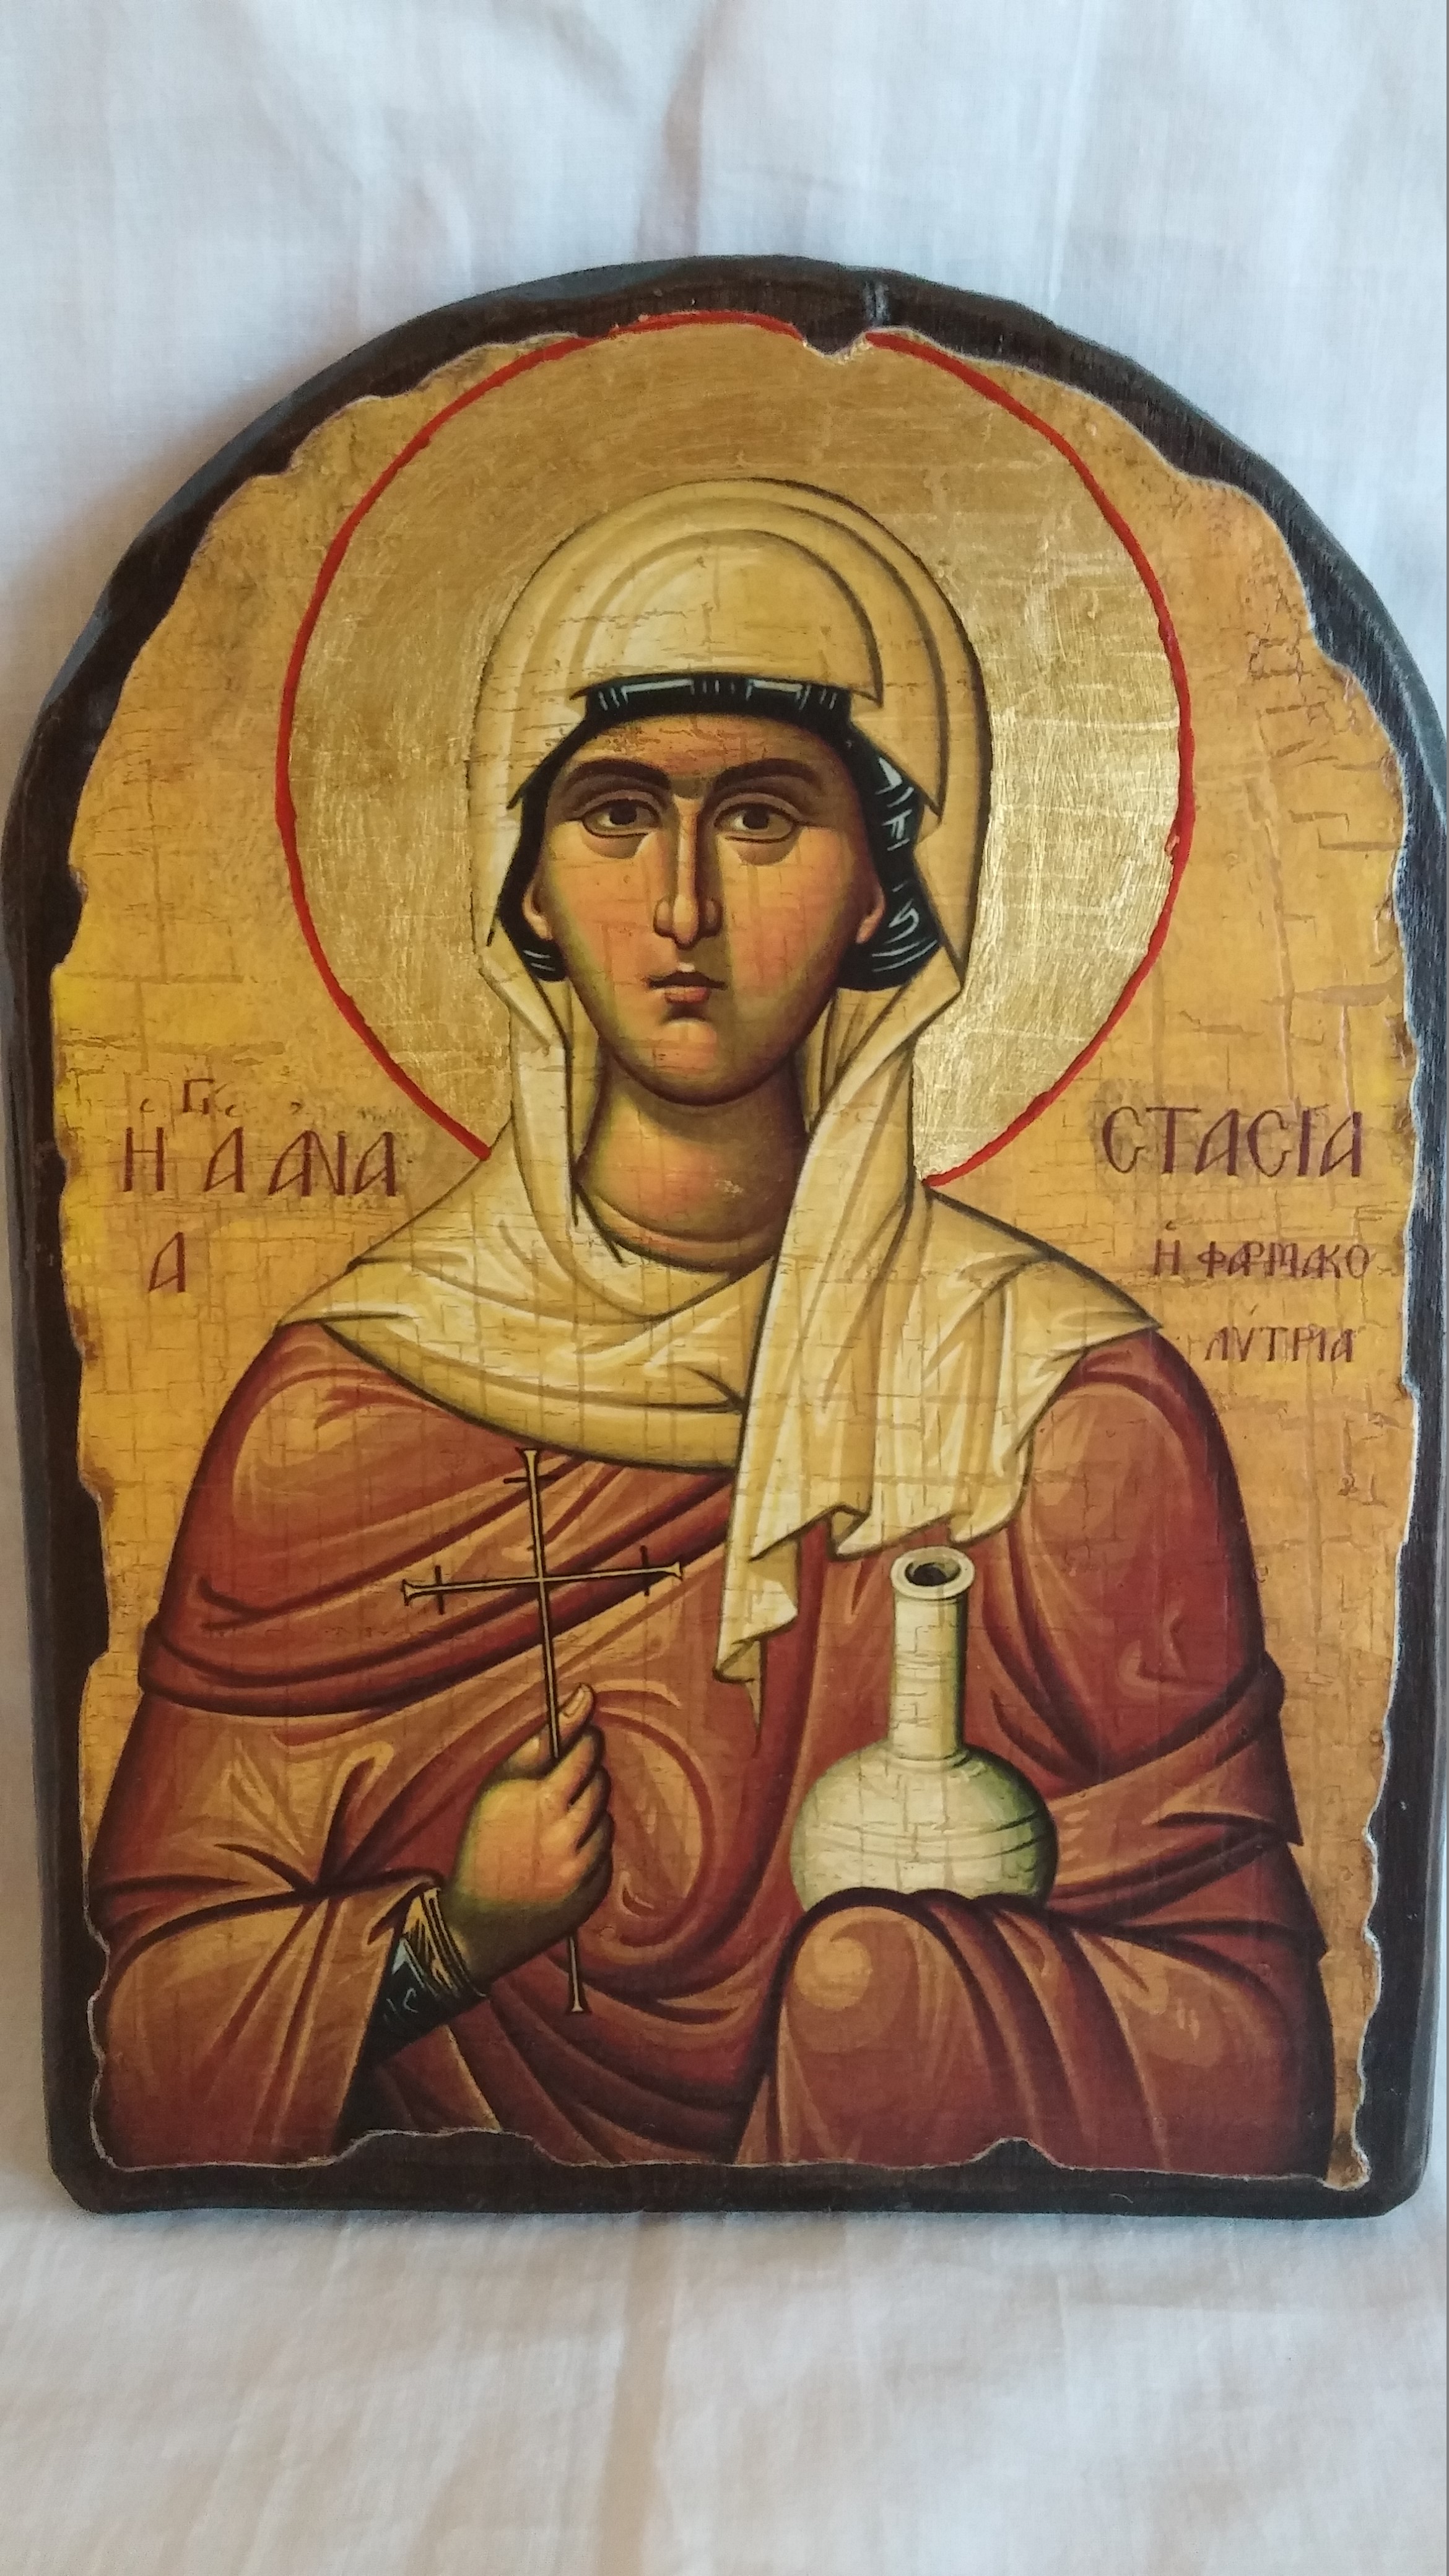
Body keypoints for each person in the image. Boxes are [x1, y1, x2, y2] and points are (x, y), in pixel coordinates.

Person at [89, 482, 1334, 2175]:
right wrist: (445, 1940)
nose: (681, 904)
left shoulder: (1055, 1410)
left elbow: (1250, 2069)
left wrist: (891, 1999)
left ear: (885, 888)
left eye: (761, 819)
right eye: (613, 815)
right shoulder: (341, 1413)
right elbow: (145, 2052)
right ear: (525, 887)